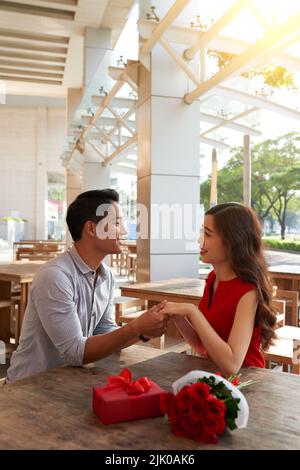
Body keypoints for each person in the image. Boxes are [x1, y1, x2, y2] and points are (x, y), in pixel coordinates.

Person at [6, 189, 169, 383]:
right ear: (91, 229)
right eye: (116, 223)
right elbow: (74, 352)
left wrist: (143, 331)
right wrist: (136, 328)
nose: (124, 231)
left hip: (67, 383)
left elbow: (105, 331)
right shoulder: (55, 276)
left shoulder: (105, 275)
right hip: (27, 388)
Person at [160, 202, 277, 377]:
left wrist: (191, 311)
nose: (200, 240)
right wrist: (179, 317)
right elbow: (202, 345)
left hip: (245, 382)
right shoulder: (213, 278)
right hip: (214, 376)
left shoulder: (248, 291)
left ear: (232, 241)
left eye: (207, 234)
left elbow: (231, 365)